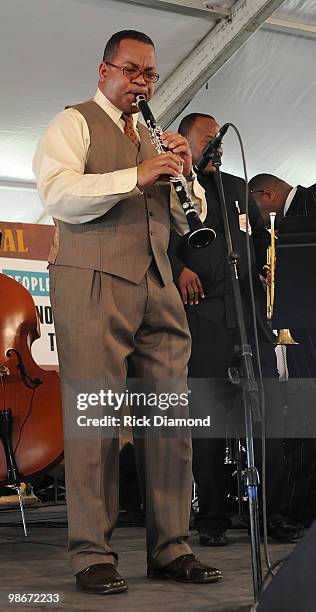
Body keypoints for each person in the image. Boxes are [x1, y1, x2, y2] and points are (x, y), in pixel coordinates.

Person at [33, 31, 222, 595]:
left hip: (158, 283)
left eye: (150, 75)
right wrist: (135, 175)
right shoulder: (72, 124)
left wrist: (184, 175)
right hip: (92, 281)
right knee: (96, 420)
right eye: (132, 71)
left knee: (169, 418)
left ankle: (172, 547)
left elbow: (192, 222)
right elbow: (58, 193)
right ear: (104, 70)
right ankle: (92, 553)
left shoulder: (153, 137)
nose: (142, 83)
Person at [168, 113, 302, 547]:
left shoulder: (238, 189)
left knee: (266, 418)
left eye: (218, 141)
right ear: (186, 143)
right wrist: (179, 268)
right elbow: (153, 245)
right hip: (204, 320)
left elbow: (264, 238)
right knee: (208, 426)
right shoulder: (172, 187)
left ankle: (274, 513)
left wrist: (265, 268)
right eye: (208, 140)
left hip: (250, 320)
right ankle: (212, 520)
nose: (216, 147)